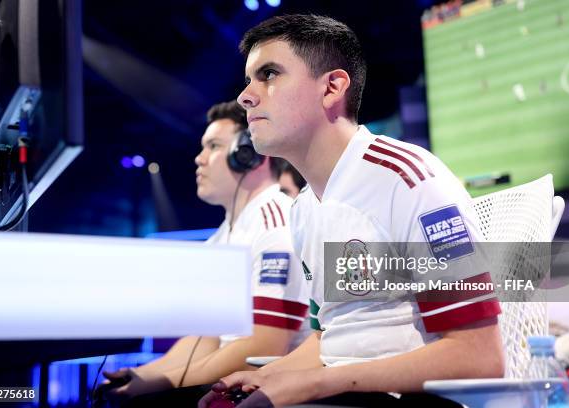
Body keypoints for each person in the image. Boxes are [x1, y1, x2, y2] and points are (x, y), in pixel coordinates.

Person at [199, 14, 504, 407]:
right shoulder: (304, 208)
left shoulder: (406, 179)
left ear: (332, 87)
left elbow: (478, 356)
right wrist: (265, 377)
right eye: (248, 81)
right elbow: (332, 335)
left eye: (269, 74)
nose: (246, 96)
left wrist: (314, 384)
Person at [97, 100, 310, 406]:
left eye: (213, 146)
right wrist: (143, 375)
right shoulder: (221, 240)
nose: (199, 159)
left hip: (266, 391)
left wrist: (159, 383)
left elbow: (264, 348)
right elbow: (203, 339)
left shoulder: (277, 225)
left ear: (249, 155)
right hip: (232, 385)